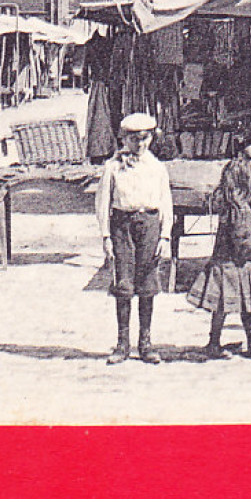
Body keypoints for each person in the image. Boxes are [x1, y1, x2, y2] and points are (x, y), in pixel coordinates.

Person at [94, 112, 173, 364]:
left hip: (149, 225)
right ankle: (122, 344)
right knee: (124, 284)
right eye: (133, 139)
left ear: (151, 138)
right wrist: (106, 236)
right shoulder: (113, 167)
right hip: (122, 226)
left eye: (144, 138)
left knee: (148, 284)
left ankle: (146, 343)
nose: (139, 144)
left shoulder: (157, 167)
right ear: (124, 139)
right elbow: (102, 203)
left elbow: (165, 204)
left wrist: (165, 236)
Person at [189, 132, 251, 359]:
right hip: (241, 264)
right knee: (249, 307)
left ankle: (214, 342)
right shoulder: (242, 210)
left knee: (221, 307)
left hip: (222, 264)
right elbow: (242, 239)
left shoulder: (227, 205)